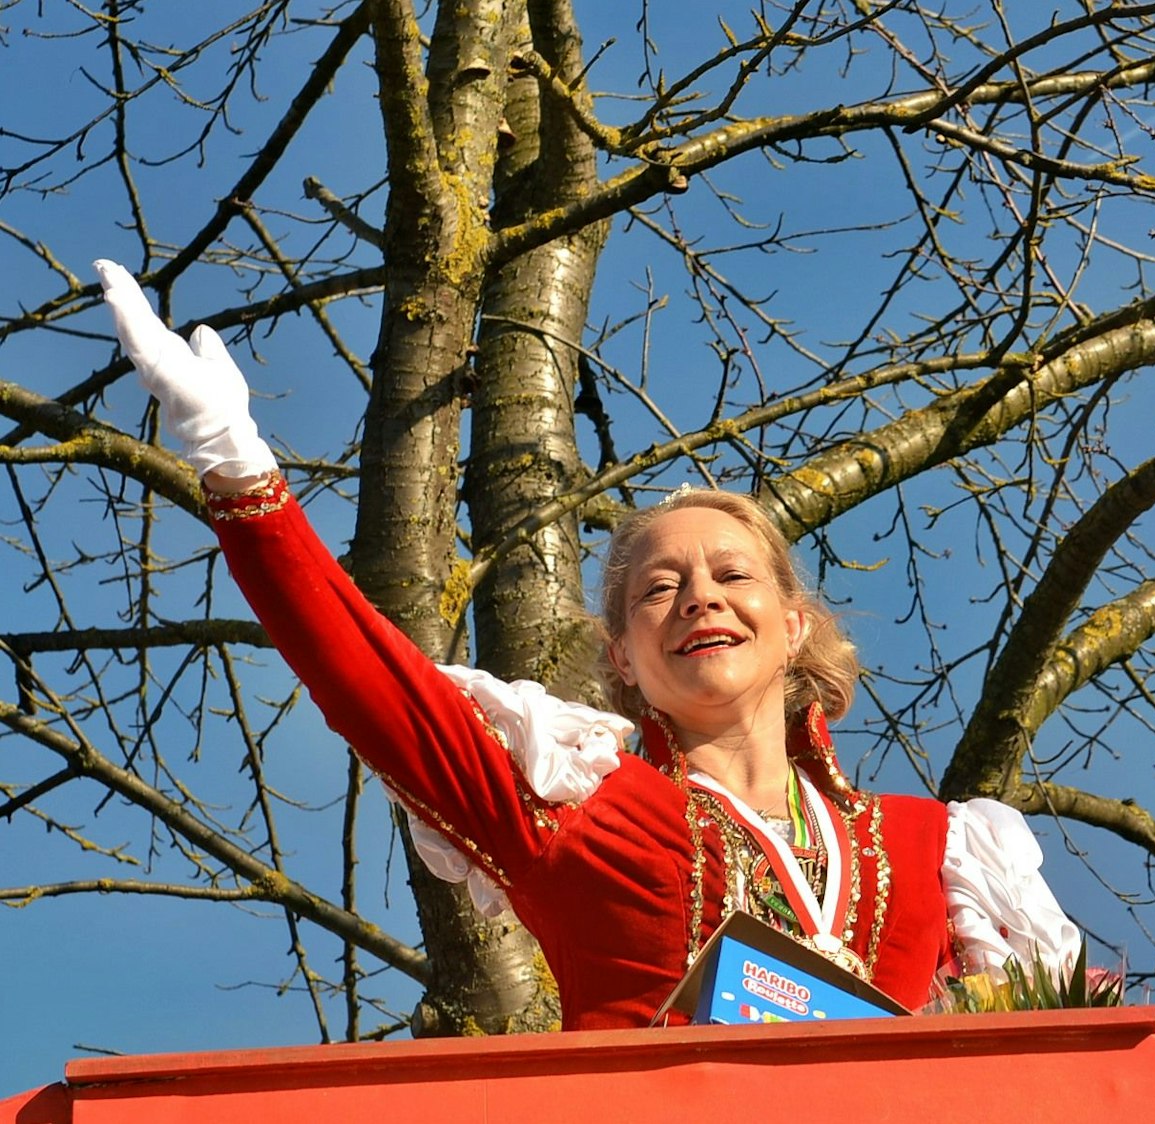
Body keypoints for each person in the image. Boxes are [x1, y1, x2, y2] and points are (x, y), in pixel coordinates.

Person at [95, 264, 1080, 1028]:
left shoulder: (935, 850)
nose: (700, 595)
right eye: (659, 587)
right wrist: (235, 465)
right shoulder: (580, 808)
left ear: (796, 623)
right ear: (620, 657)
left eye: (733, 576)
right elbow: (375, 688)